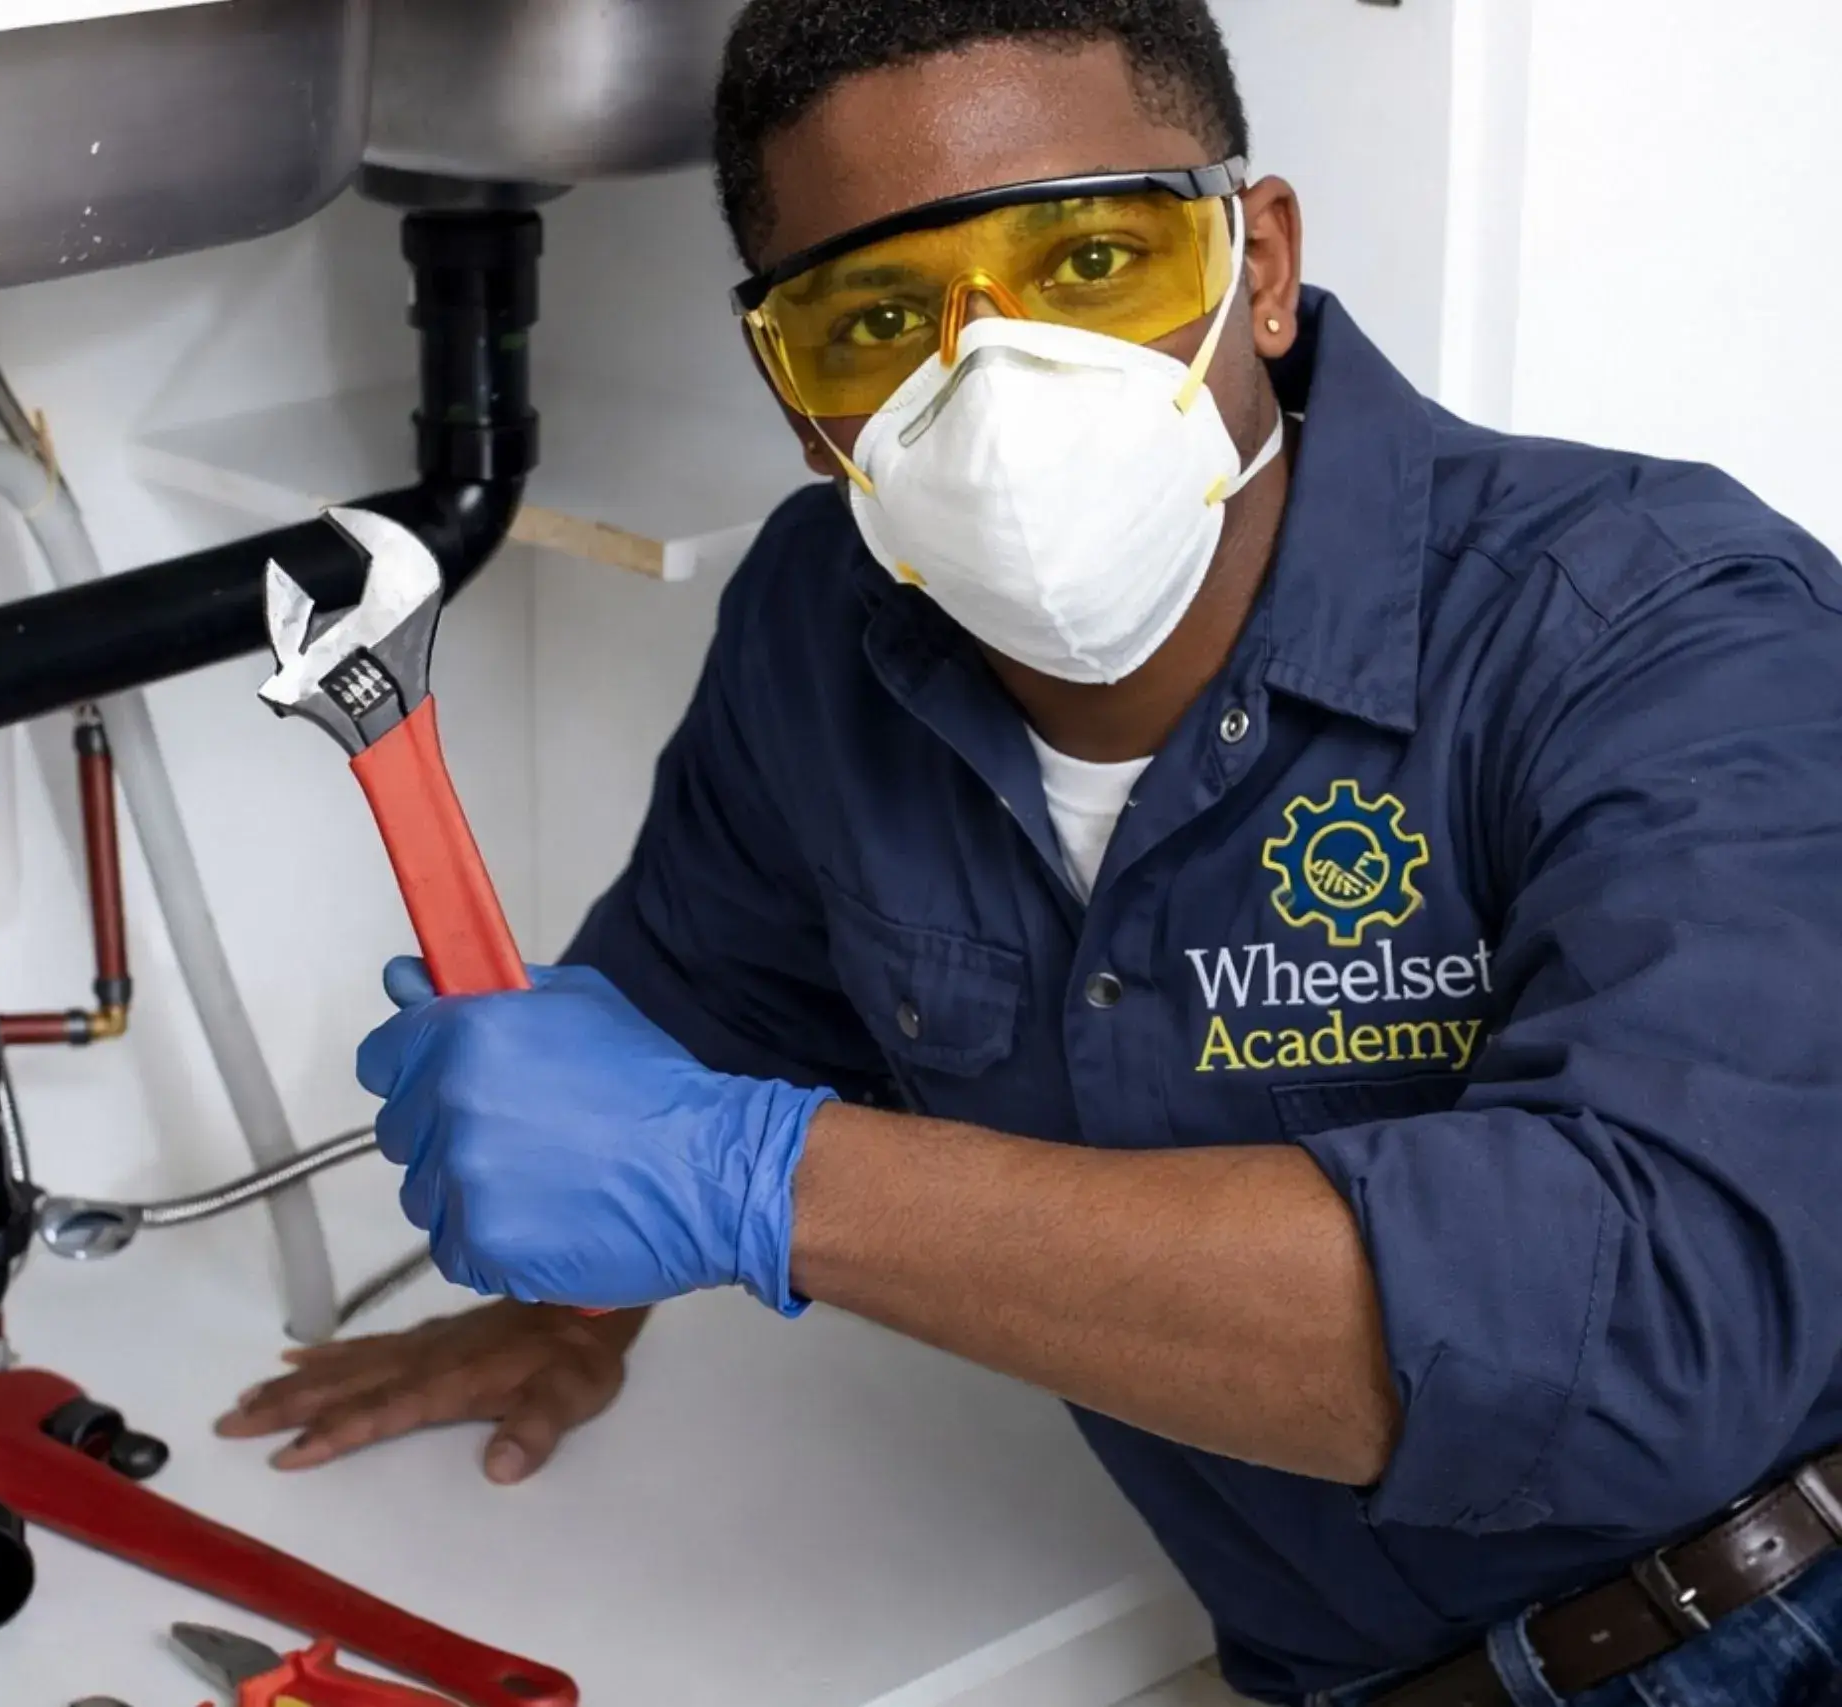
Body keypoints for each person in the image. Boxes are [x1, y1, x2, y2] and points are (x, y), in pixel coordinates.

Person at [219, 3, 1842, 1702]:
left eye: (1086, 261)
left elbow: (1650, 1328)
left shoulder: (1659, 626)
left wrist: (761, 1184)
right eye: (874, 319)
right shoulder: (816, 639)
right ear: (795, 395)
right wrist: (571, 1301)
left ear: (1259, 260)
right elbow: (685, 1028)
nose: (987, 376)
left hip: (1774, 1609)